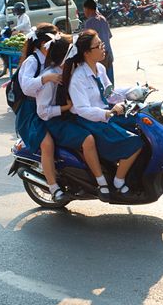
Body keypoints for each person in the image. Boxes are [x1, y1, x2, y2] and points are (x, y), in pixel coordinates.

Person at [61, 29, 143, 196]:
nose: (103, 47)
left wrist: (137, 90)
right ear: (86, 53)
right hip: (92, 121)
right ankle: (118, 181)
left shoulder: (100, 68)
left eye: (102, 44)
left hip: (107, 115)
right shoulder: (78, 78)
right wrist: (107, 113)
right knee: (135, 143)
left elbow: (110, 94)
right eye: (98, 45)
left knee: (140, 126)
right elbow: (83, 109)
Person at [36, 32, 111, 200]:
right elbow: (43, 112)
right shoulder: (51, 77)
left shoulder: (72, 70)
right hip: (55, 121)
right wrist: (65, 107)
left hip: (69, 115)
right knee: (88, 140)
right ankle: (101, 182)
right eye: (72, 51)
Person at [15, 23, 65, 202]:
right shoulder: (32, 61)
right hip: (30, 114)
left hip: (48, 107)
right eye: (52, 42)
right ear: (41, 44)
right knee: (47, 144)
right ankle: (53, 187)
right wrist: (46, 78)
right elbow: (27, 87)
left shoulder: (52, 60)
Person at [83, 0, 115, 86]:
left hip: (99, 55)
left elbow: (87, 42)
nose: (84, 12)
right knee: (110, 82)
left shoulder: (89, 22)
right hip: (108, 54)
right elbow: (109, 36)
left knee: (102, 84)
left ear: (88, 9)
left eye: (84, 10)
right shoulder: (103, 19)